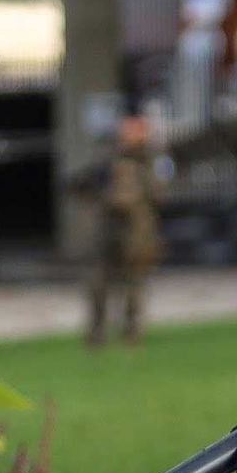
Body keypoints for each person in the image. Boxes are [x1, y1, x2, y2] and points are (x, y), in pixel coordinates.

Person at [87, 114, 161, 346]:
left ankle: (131, 333)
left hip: (138, 234)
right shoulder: (108, 162)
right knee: (99, 284)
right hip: (110, 233)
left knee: (134, 286)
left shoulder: (149, 163)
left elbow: (157, 195)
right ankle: (96, 333)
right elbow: (91, 187)